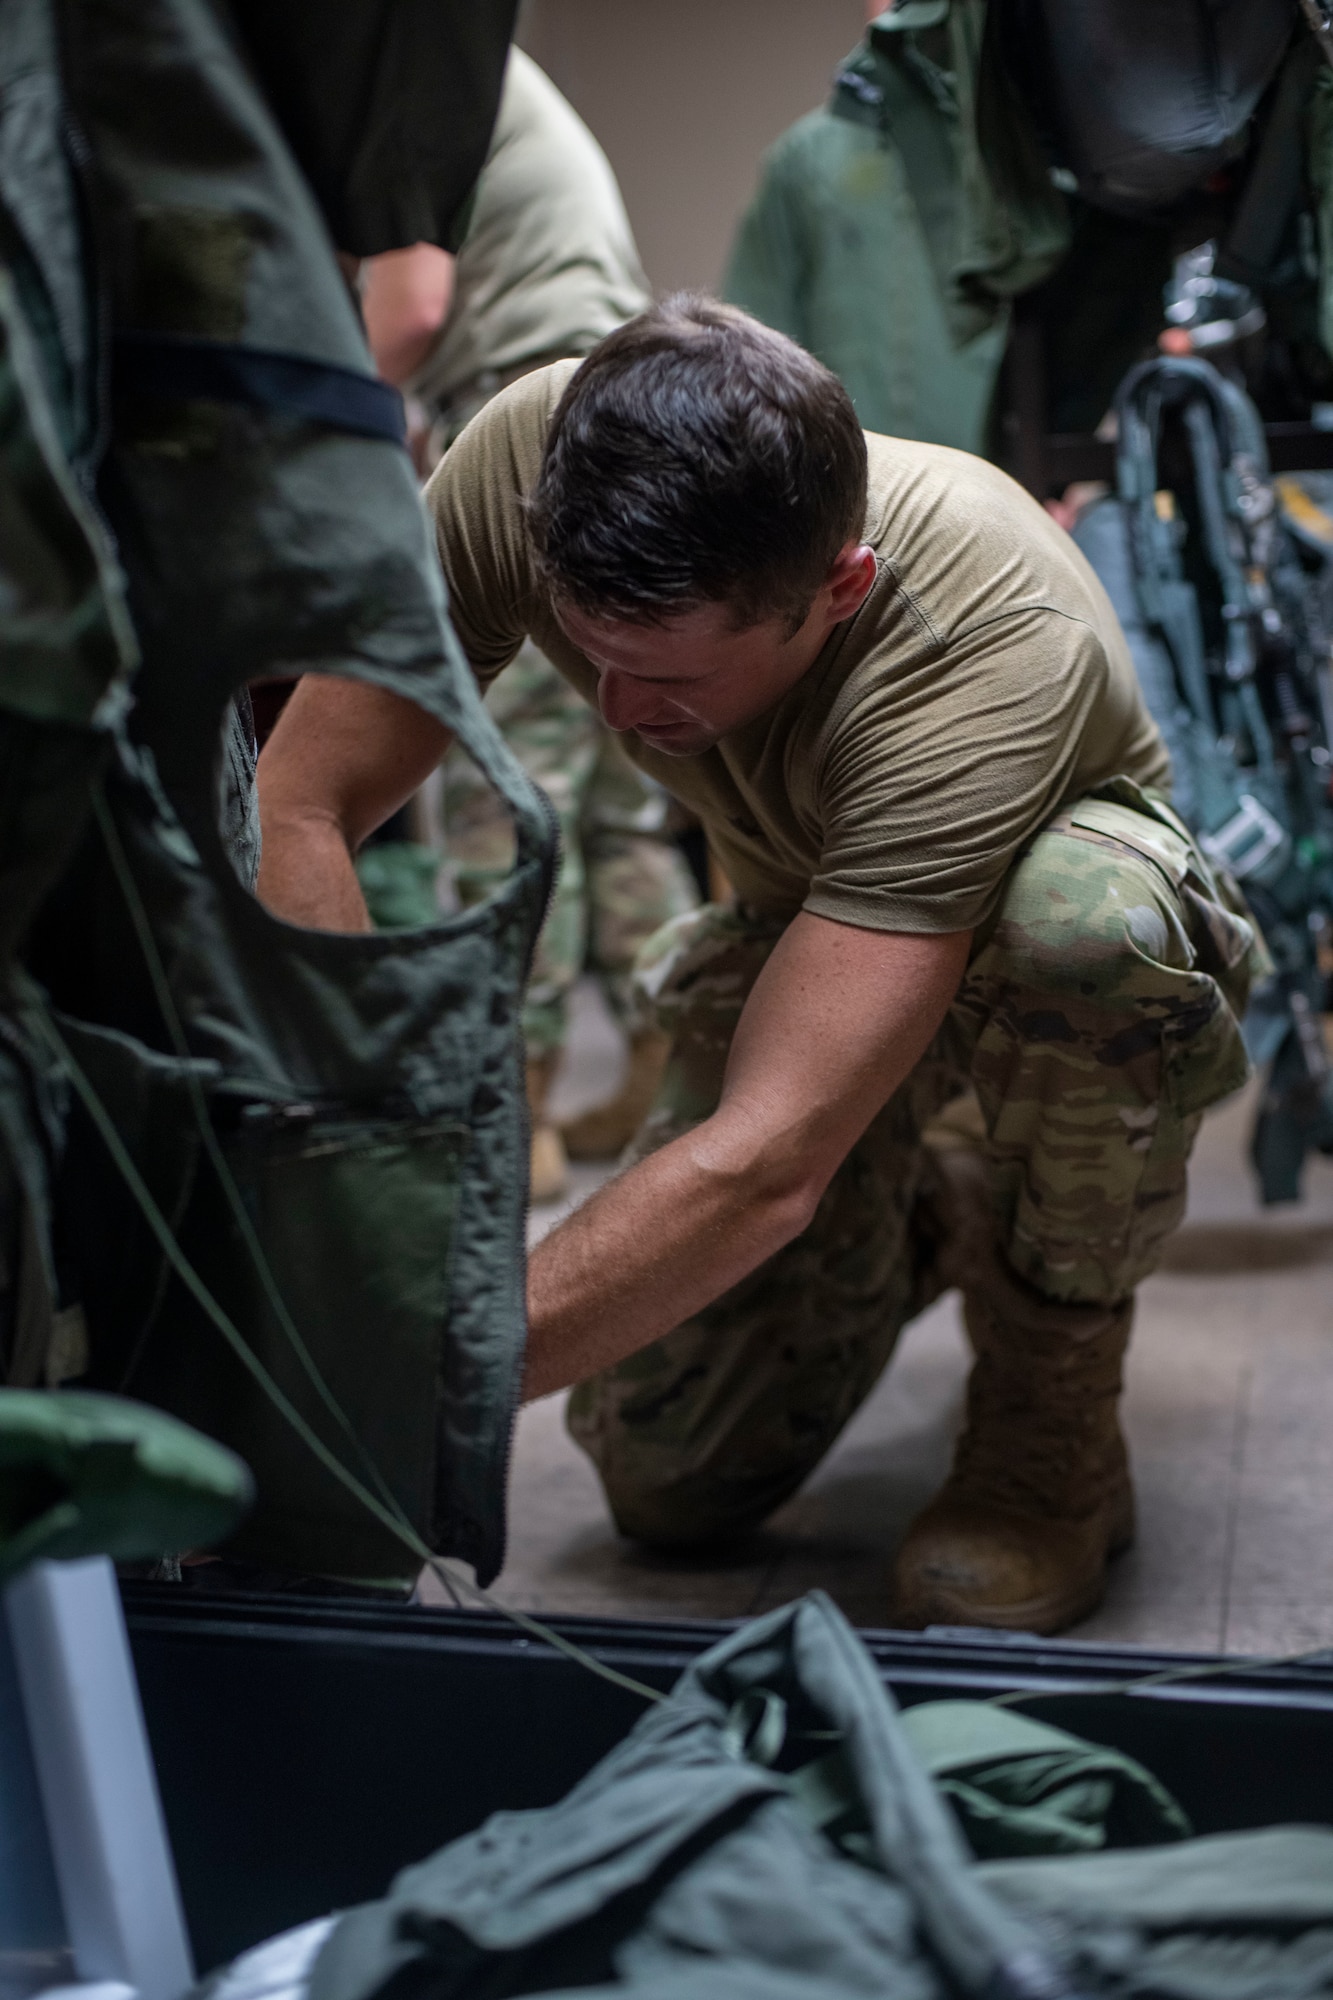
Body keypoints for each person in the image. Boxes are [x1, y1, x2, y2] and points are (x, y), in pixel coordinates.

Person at [255, 298, 1262, 1633]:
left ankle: (1051, 1422)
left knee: (1078, 926)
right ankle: (917, 1213)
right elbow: (303, 806)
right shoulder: (528, 463)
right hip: (817, 947)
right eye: (588, 653)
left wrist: (411, 1366)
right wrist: (316, 1191)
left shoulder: (976, 644)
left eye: (667, 679)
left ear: (836, 592)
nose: (617, 715)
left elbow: (767, 1155)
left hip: (1050, 990)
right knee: (669, 1487)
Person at [360, 49, 698, 1202]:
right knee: (614, 794)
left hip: (529, 425)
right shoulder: (469, 64)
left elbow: (406, 311)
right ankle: (667, 1054)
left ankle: (521, 1108)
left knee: (505, 791)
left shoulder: (402, 67)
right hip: (615, 404)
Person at [723, 0, 1330, 461]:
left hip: (1012, 468)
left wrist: (1064, 442)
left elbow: (1106, 298)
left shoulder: (1037, 145)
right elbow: (747, 346)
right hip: (856, 481)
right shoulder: (809, 160)